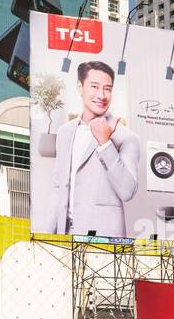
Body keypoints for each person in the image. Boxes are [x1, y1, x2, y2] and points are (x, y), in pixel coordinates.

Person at [40, 60, 140, 236]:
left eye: (107, 89)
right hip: (66, 236)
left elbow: (127, 190)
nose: (101, 95)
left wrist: (105, 143)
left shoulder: (126, 137)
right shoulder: (65, 132)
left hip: (104, 241)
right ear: (80, 87)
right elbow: (58, 187)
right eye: (94, 86)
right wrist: (46, 237)